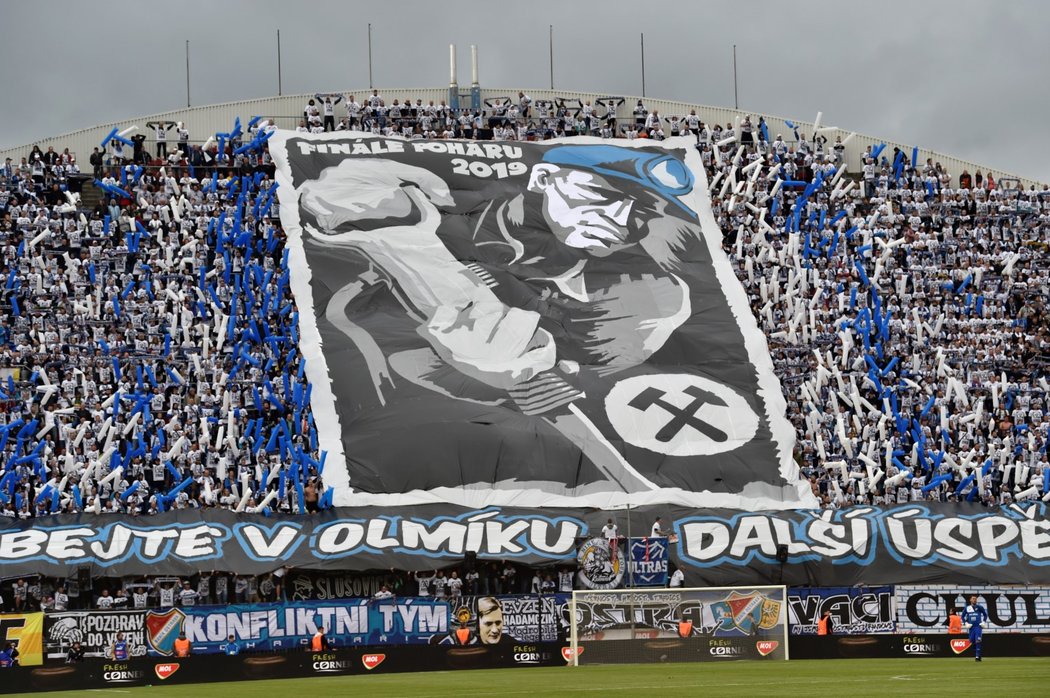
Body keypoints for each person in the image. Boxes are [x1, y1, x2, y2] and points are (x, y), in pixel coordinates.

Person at [962, 594, 988, 661]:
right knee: (972, 641)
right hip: (971, 627)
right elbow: (962, 617)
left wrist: (984, 622)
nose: (974, 600)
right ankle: (978, 654)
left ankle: (977, 657)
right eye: (973, 598)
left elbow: (985, 615)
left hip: (978, 627)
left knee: (978, 640)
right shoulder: (967, 608)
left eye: (975, 599)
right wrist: (965, 623)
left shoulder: (980, 607)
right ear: (970, 600)